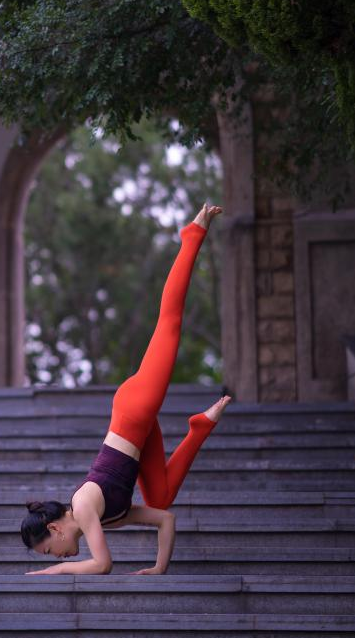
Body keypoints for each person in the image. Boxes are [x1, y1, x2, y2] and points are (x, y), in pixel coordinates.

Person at [21, 202, 231, 575]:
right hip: (139, 429)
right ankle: (200, 426)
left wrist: (52, 573)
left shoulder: (84, 506)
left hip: (135, 409)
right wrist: (158, 569)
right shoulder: (108, 519)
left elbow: (103, 565)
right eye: (51, 559)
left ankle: (193, 234)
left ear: (54, 529)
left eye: (50, 552)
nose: (59, 557)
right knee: (161, 497)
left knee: (169, 322)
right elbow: (165, 519)